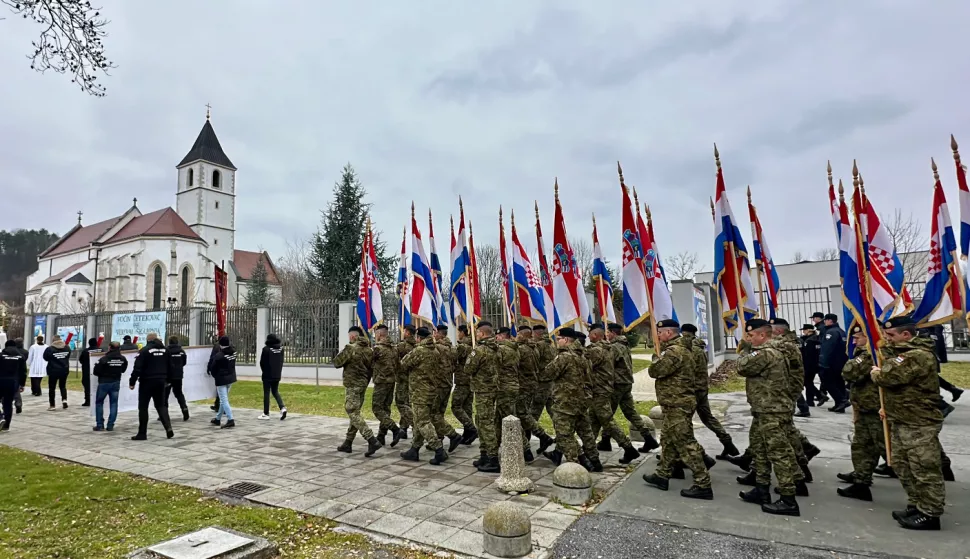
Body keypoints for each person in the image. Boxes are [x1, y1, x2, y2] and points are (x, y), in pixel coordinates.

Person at [871, 316, 946, 530]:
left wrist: (877, 373)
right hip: (901, 418)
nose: (887, 339)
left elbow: (887, 378)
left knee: (923, 468)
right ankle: (917, 503)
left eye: (891, 335)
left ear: (906, 334)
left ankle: (930, 513)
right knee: (903, 466)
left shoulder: (918, 355)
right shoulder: (902, 354)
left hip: (919, 422)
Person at [641, 320, 714, 499]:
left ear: (668, 333)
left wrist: (656, 358)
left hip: (677, 403)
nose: (657, 335)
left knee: (685, 443)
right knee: (668, 440)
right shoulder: (684, 348)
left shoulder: (674, 351)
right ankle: (663, 474)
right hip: (675, 402)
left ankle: (703, 483)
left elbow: (655, 371)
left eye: (659, 332)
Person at [736, 319, 801, 516]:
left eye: (751, 335)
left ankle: (789, 499)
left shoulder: (765, 353)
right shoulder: (775, 350)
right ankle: (761, 489)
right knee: (760, 450)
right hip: (765, 409)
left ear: (762, 335)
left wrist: (745, 350)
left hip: (771, 411)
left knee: (777, 453)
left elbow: (741, 367)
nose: (749, 339)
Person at [836, 325, 885, 501]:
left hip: (875, 408)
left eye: (857, 338)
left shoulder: (871, 354)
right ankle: (861, 481)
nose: (854, 342)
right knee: (863, 446)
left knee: (889, 450)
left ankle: (923, 495)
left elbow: (848, 372)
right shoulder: (865, 354)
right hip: (865, 406)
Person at [543, 327, 600, 470]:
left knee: (564, 434)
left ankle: (576, 464)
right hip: (581, 400)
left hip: (566, 401)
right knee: (585, 432)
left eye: (559, 339)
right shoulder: (583, 356)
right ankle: (594, 460)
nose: (557, 343)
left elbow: (549, 373)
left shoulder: (564, 357)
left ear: (566, 340)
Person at [586, 323, 641, 465]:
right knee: (593, 419)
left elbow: (585, 366)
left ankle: (628, 448)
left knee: (607, 421)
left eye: (590, 333)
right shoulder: (608, 347)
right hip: (603, 389)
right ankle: (588, 448)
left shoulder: (597, 350)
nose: (588, 336)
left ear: (595, 335)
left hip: (600, 390)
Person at [680, 323, 738, 458]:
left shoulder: (690, 348)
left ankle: (685, 453)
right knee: (708, 418)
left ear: (684, 333)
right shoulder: (700, 347)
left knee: (683, 421)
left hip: (692, 389)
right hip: (702, 387)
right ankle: (727, 442)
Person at [601, 323, 661, 454]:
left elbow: (608, 364)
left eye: (608, 332)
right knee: (630, 413)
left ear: (613, 333)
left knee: (606, 414)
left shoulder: (614, 347)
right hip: (626, 383)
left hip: (617, 384)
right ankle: (648, 438)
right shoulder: (624, 345)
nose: (606, 334)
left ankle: (606, 440)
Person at [400, 326, 452, 465]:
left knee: (422, 422)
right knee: (419, 420)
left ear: (419, 338)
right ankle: (414, 449)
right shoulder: (435, 350)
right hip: (431, 390)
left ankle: (439, 449)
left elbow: (403, 364)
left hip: (420, 392)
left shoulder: (419, 351)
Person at [333, 326, 381, 456]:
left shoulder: (351, 348)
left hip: (352, 385)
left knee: (352, 411)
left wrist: (344, 350)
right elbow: (371, 368)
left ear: (353, 336)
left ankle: (371, 439)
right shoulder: (369, 350)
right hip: (362, 384)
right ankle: (348, 442)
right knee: (355, 413)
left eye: (350, 336)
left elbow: (336, 362)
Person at [464, 321, 501, 473]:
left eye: (478, 332)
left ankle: (492, 458)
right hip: (492, 389)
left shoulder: (479, 350)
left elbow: (468, 368)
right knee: (482, 420)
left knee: (485, 424)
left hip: (483, 390)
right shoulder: (498, 348)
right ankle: (484, 454)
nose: (476, 335)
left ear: (483, 333)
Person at [515, 325, 555, 461]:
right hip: (542, 383)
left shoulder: (536, 347)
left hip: (534, 384)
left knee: (527, 414)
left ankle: (538, 437)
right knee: (528, 413)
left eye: (518, 333)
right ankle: (534, 439)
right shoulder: (546, 345)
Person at [129, 333, 173, 440]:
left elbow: (137, 368)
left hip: (146, 382)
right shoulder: (165, 350)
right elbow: (171, 366)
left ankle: (142, 433)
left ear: (148, 340)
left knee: (143, 408)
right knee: (161, 406)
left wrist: (132, 381)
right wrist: (168, 380)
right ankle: (168, 428)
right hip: (160, 382)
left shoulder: (144, 351)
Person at [431, 325, 463, 452]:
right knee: (440, 413)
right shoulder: (453, 348)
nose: (433, 335)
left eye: (435, 333)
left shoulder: (438, 347)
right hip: (448, 383)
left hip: (439, 384)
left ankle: (453, 435)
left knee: (433, 414)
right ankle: (439, 437)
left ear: (439, 334)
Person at [370, 325, 400, 444]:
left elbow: (370, 362)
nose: (375, 337)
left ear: (380, 335)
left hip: (381, 382)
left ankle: (395, 429)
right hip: (391, 381)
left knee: (377, 408)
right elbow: (398, 365)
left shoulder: (378, 349)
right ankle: (381, 435)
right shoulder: (394, 348)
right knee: (386, 409)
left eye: (376, 334)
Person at [93, 341, 128, 432]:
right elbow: (123, 370)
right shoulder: (122, 359)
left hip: (104, 382)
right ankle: (110, 424)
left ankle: (100, 425)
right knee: (114, 403)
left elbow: (96, 371)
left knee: (99, 403)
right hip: (116, 382)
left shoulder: (104, 359)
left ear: (109, 347)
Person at [452, 325, 477, 444]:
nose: (458, 335)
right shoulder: (474, 345)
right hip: (470, 380)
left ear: (463, 332)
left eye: (459, 332)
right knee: (467, 408)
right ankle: (468, 433)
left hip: (462, 381)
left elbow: (453, 357)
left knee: (456, 406)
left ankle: (471, 429)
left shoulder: (463, 347)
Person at [819, 314, 849, 412]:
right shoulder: (841, 331)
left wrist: (823, 363)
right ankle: (839, 405)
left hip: (831, 363)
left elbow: (827, 349)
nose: (824, 322)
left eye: (826, 320)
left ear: (830, 321)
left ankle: (841, 400)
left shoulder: (831, 332)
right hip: (841, 362)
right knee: (839, 382)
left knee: (828, 383)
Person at [210, 336, 238, 430]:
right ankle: (218, 418)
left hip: (221, 380)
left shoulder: (219, 356)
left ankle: (231, 419)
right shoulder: (234, 353)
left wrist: (215, 376)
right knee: (223, 399)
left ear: (221, 345)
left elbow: (213, 368)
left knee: (224, 400)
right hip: (231, 378)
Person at [395, 324, 418, 438]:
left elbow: (394, 358)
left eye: (404, 331)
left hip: (403, 379)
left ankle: (416, 425)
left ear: (408, 333)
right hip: (414, 379)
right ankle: (403, 428)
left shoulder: (402, 346)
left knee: (401, 403)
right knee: (408, 403)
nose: (403, 333)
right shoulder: (417, 345)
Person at [258, 333, 287, 421]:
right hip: (277, 374)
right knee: (275, 391)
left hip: (267, 375)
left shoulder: (266, 349)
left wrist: (264, 372)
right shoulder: (281, 349)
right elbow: (281, 362)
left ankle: (266, 413)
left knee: (267, 393)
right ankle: (282, 408)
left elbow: (262, 362)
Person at [0, 339, 27, 431]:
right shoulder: (20, 357)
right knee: (8, 403)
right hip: (13, 382)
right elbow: (23, 372)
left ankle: (1, 417)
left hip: (1, 380)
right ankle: (6, 425)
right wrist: (22, 384)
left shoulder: (1, 355)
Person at [43, 335, 71, 410]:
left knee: (52, 388)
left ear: (53, 341)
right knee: (63, 386)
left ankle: (52, 405)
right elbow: (68, 356)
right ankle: (64, 400)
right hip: (64, 369)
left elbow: (45, 358)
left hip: (53, 370)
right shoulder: (67, 347)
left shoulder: (50, 349)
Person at [165, 336, 190, 421]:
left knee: (165, 395)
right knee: (179, 393)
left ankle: (164, 414)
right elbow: (184, 362)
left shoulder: (166, 351)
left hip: (168, 376)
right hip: (178, 375)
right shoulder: (181, 351)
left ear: (169, 342)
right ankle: (184, 408)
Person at [800, 324, 824, 406]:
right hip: (816, 363)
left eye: (804, 330)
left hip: (809, 365)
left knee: (807, 382)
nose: (803, 332)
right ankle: (810, 401)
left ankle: (820, 395)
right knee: (809, 382)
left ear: (809, 330)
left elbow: (807, 354)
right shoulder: (817, 339)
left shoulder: (809, 341)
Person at [78, 338, 102, 407]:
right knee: (98, 385)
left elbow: (81, 360)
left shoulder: (85, 351)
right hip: (99, 371)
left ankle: (88, 400)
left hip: (87, 371)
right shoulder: (101, 350)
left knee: (87, 386)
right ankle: (98, 399)